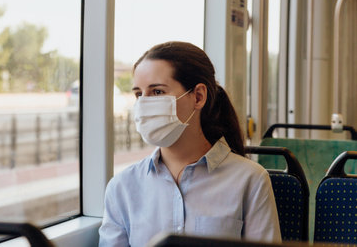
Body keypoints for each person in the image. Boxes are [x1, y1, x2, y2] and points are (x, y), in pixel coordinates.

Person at [98, 42, 281, 246]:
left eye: (157, 92)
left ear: (199, 97)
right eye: (139, 94)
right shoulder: (122, 187)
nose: (143, 104)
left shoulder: (250, 180)